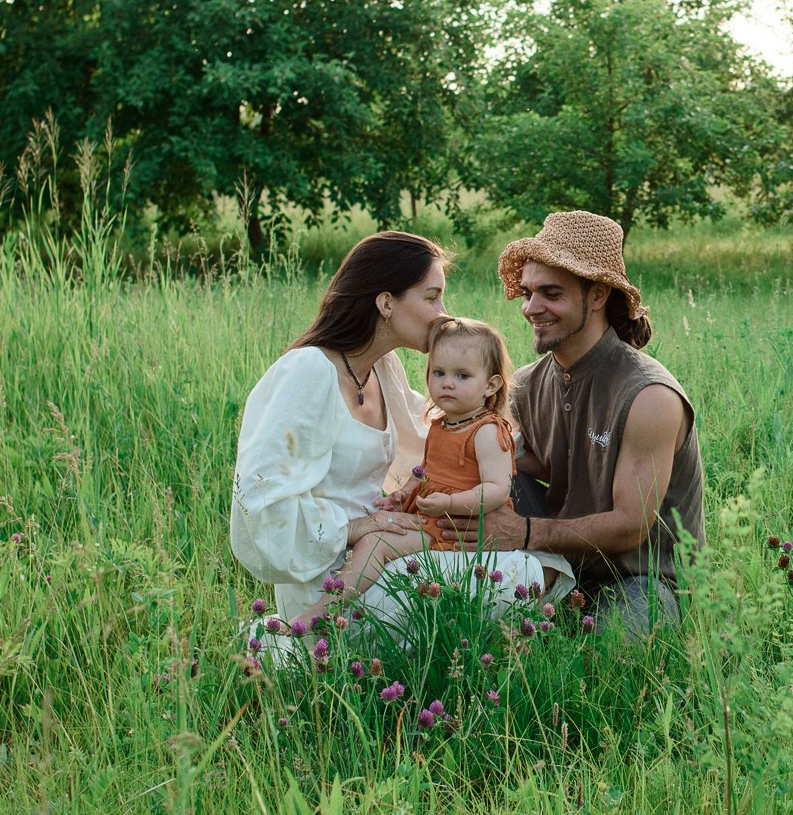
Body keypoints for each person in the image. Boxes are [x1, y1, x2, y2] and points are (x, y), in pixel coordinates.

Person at [229, 234, 564, 654]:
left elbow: (442, 437)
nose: (443, 315)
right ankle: (305, 639)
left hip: (381, 553)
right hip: (329, 572)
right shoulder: (308, 370)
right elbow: (259, 505)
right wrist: (354, 527)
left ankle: (333, 649)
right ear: (386, 303)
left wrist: (543, 459)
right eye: (432, 297)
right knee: (541, 570)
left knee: (542, 565)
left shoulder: (378, 369)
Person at [432, 210, 704, 635]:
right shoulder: (522, 386)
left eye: (551, 293)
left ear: (597, 295)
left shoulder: (650, 396)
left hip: (638, 579)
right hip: (556, 567)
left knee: (615, 655)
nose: (531, 308)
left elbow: (631, 528)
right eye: (527, 292)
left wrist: (522, 532)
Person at [281, 316, 565, 632]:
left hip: (461, 526)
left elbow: (497, 489)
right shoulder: (443, 424)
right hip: (436, 515)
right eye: (438, 372)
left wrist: (451, 503)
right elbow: (427, 468)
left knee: (377, 543)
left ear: (491, 385)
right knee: (378, 530)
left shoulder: (487, 432)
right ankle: (341, 603)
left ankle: (323, 610)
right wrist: (406, 490)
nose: (447, 383)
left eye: (462, 375)